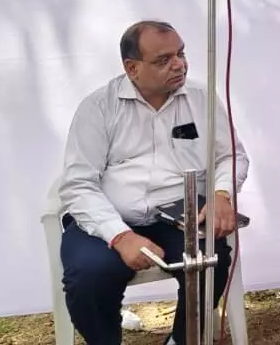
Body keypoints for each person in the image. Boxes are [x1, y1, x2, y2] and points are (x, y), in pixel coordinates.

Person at [58, 21, 249, 345]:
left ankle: (181, 341)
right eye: (163, 60)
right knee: (89, 276)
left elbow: (232, 156)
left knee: (210, 260)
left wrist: (221, 194)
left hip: (179, 214)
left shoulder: (201, 98)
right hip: (109, 218)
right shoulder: (99, 107)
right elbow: (78, 184)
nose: (179, 65)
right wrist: (120, 236)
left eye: (181, 54)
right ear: (132, 68)